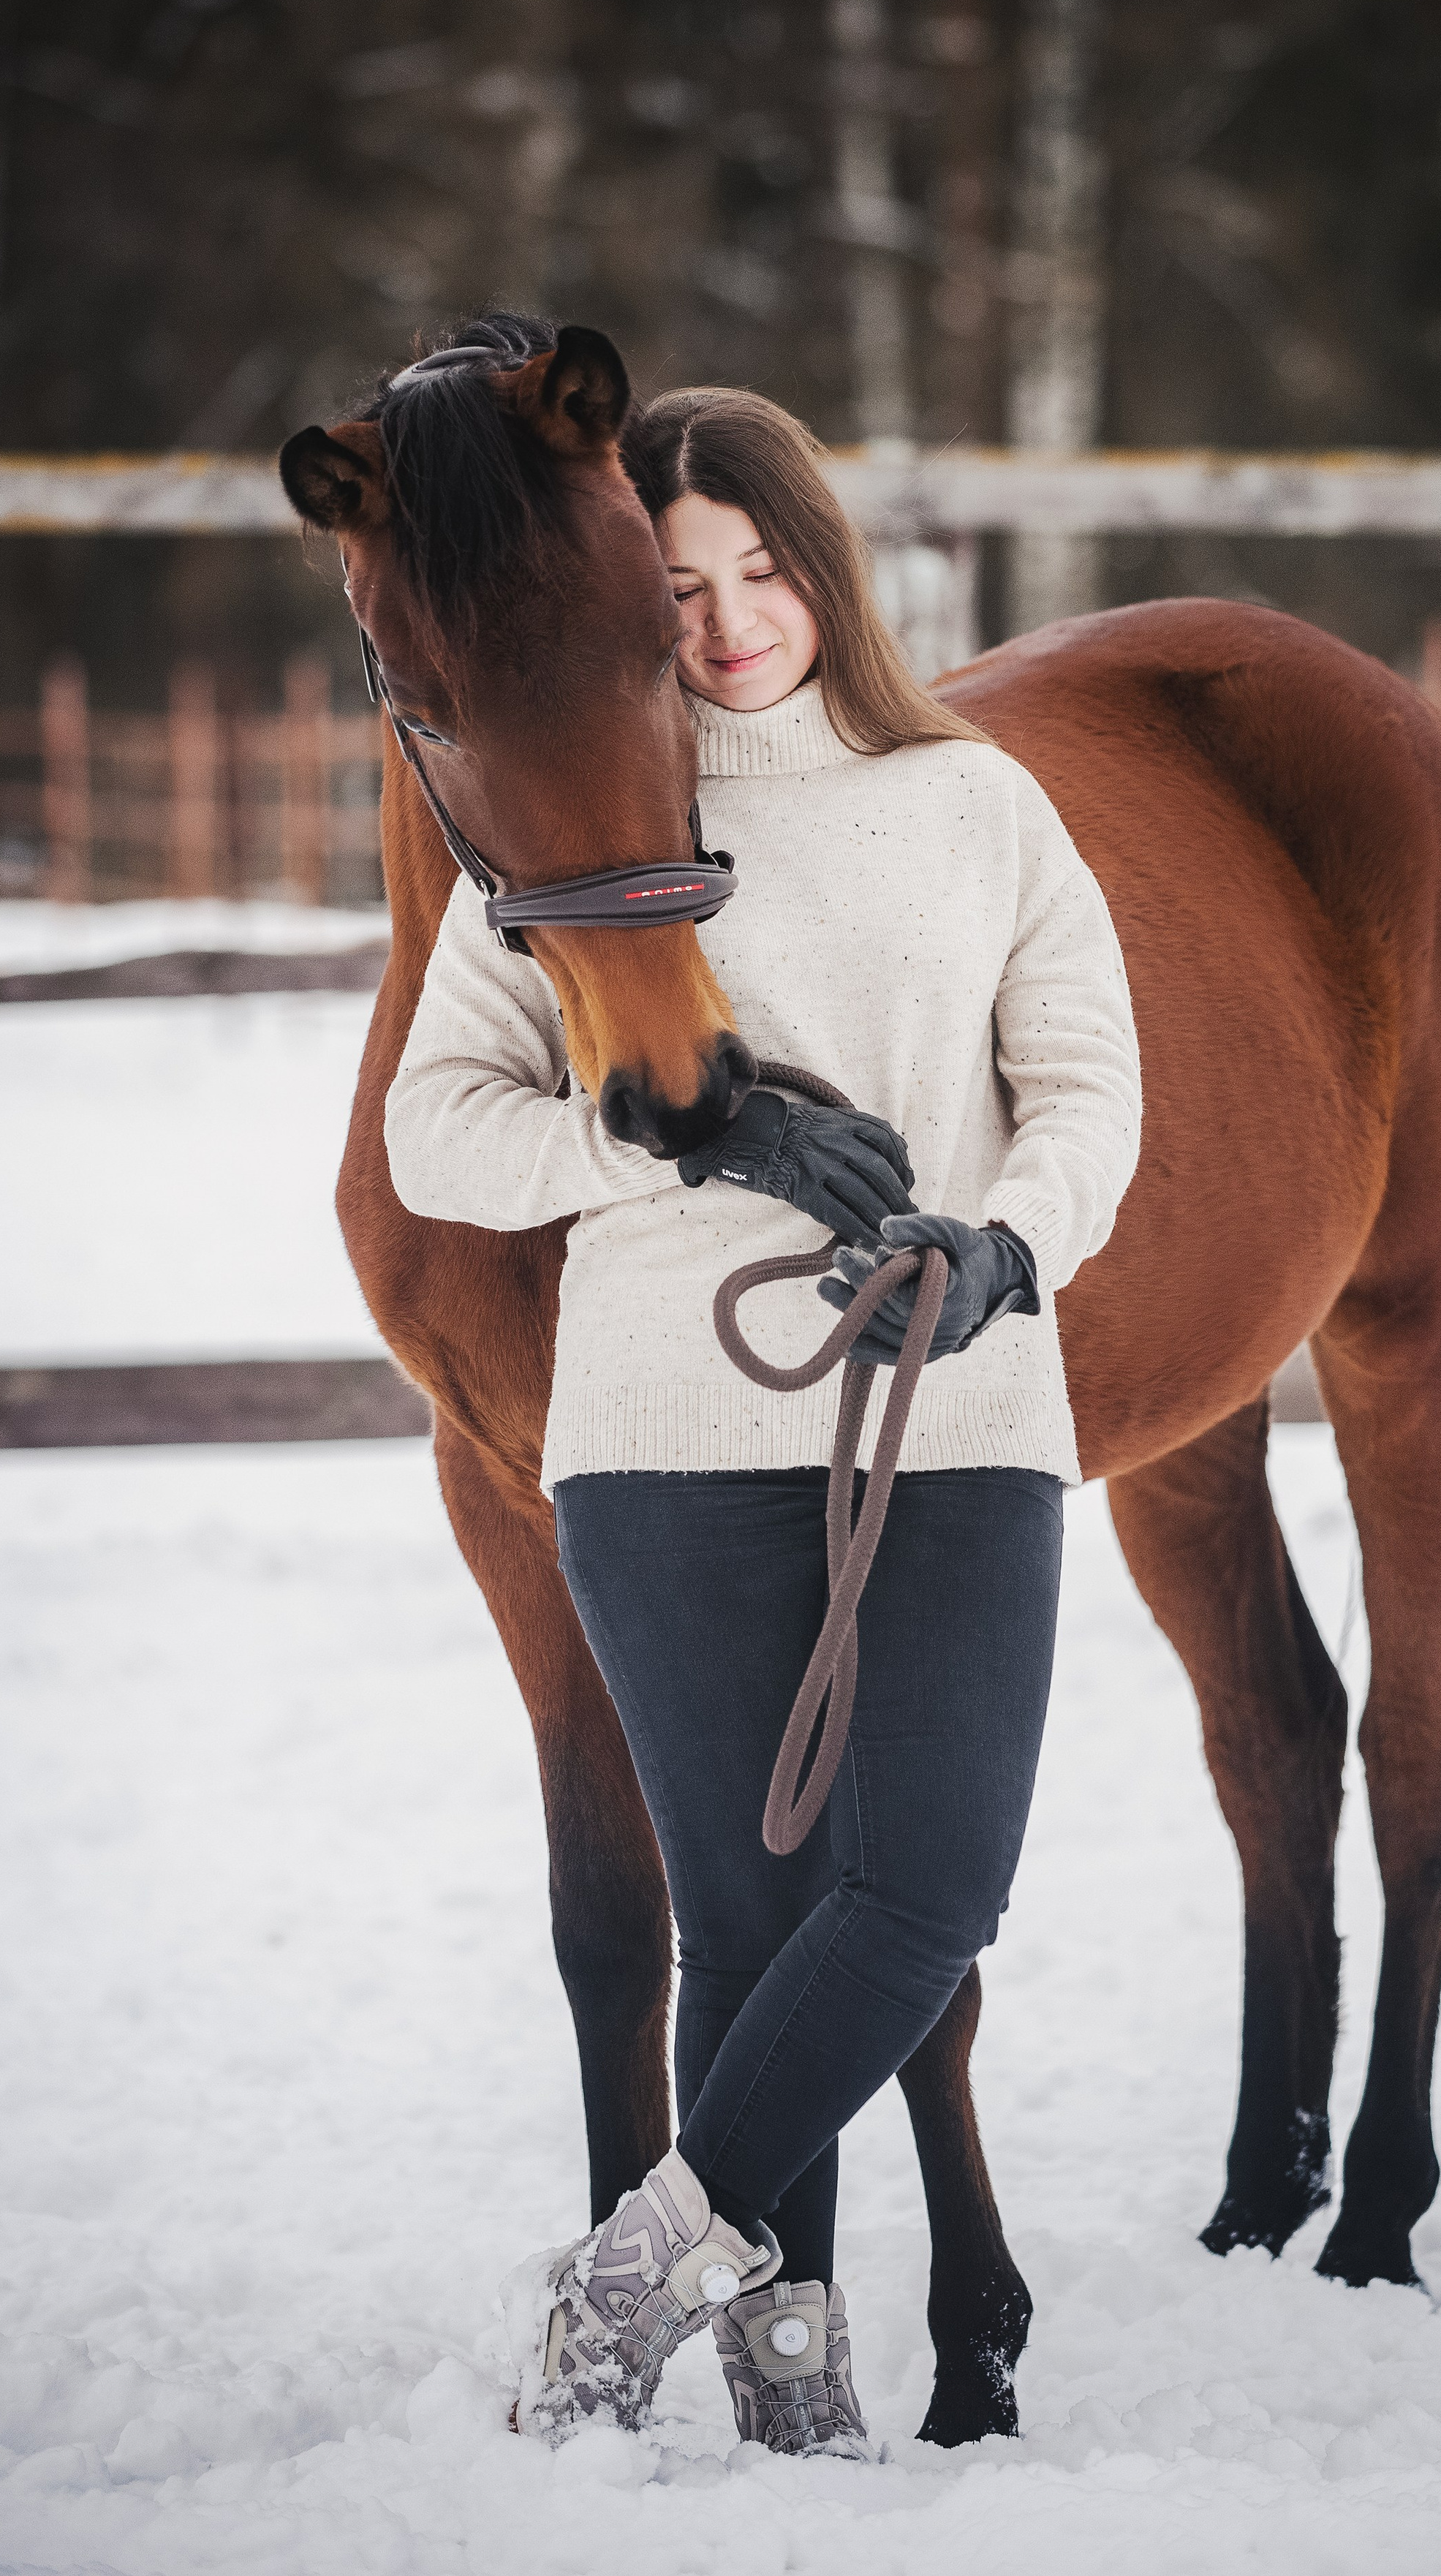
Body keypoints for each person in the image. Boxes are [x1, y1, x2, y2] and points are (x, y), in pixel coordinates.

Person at [385, 384, 1141, 2455]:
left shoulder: (979, 801)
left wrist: (1005, 1248)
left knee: (932, 1889)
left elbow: (1089, 1085)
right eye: (684, 585)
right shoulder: (585, 810)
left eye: (763, 569)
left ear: (827, 568)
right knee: (746, 1923)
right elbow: (433, 1128)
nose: (728, 624)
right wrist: (684, 1153)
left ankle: (632, 2264)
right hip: (659, 1433)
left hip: (958, 1415)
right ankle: (793, 2374)